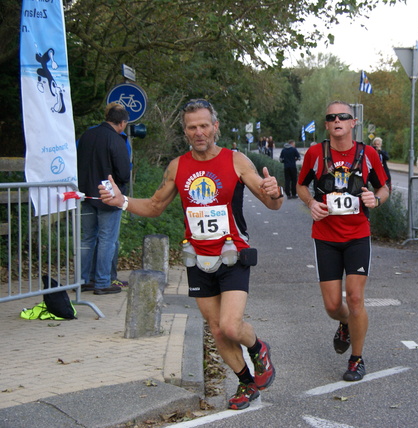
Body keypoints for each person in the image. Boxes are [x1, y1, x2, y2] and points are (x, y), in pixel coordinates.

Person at [99, 99, 282, 410]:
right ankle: (246, 383)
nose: (199, 132)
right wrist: (121, 201)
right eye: (192, 127)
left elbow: (271, 203)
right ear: (185, 131)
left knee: (230, 325)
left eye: (204, 125)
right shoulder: (178, 166)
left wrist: (275, 192)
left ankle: (257, 348)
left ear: (215, 127)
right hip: (198, 258)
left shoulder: (236, 161)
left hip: (232, 254)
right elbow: (156, 206)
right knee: (214, 328)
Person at [296, 101, 389, 382]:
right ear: (326, 125)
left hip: (357, 234)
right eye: (331, 117)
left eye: (343, 116)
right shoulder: (315, 153)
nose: (337, 120)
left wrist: (377, 198)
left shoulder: (367, 153)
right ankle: (345, 323)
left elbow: (384, 187)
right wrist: (311, 202)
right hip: (325, 236)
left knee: (356, 298)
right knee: (333, 306)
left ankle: (356, 359)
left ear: (353, 122)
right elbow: (300, 185)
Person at [77, 102, 130, 295]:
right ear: (122, 123)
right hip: (109, 196)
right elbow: (124, 173)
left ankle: (85, 280)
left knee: (87, 239)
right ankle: (102, 281)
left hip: (85, 194)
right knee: (107, 239)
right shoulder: (116, 140)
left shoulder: (86, 135)